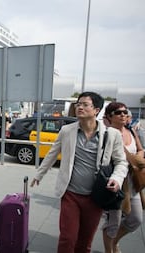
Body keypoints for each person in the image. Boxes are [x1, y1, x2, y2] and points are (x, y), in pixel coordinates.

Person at [30, 91, 128, 253]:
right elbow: (52, 153)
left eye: (85, 104)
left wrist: (117, 179)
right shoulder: (67, 131)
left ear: (96, 110)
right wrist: (39, 174)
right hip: (70, 195)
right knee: (67, 238)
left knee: (85, 242)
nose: (80, 107)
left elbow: (121, 162)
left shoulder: (111, 135)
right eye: (78, 104)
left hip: (95, 197)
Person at [102, 102, 144, 253]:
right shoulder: (108, 134)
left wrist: (137, 157)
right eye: (119, 112)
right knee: (113, 224)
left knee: (136, 219)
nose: (123, 115)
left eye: (125, 112)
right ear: (109, 116)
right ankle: (110, 249)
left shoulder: (131, 131)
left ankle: (115, 242)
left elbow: (140, 150)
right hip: (118, 184)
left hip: (133, 183)